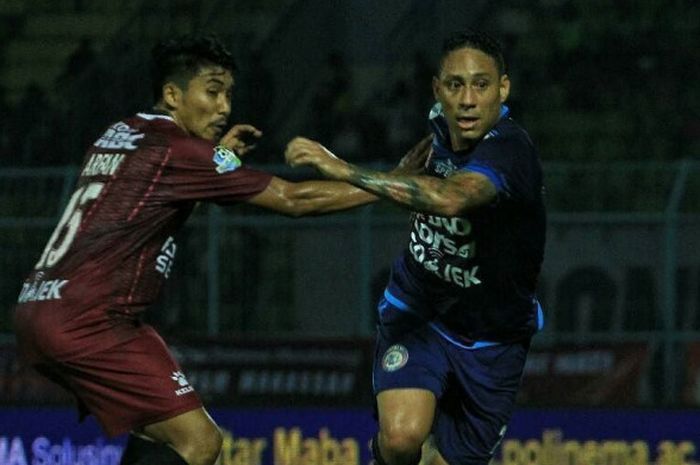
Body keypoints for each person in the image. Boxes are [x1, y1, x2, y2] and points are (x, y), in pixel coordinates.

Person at [12, 34, 430, 465]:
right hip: (92, 320)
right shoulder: (180, 151)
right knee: (200, 442)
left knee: (161, 433)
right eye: (212, 92)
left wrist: (214, 160)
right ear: (173, 94)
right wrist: (386, 184)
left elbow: (151, 204)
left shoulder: (122, 132)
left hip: (38, 308)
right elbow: (293, 200)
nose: (224, 107)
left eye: (228, 94)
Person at [286, 30, 546, 465]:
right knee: (402, 438)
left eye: (481, 85)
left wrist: (341, 168)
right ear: (437, 89)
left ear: (503, 89)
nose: (466, 99)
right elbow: (414, 178)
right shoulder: (437, 125)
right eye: (454, 85)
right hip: (418, 311)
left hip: (493, 338)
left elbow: (451, 198)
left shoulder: (510, 152)